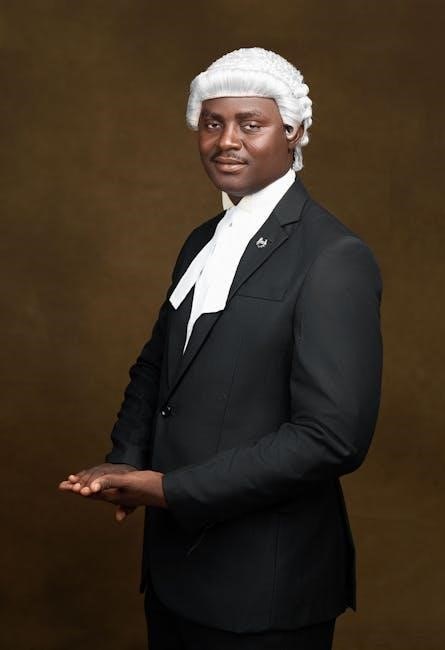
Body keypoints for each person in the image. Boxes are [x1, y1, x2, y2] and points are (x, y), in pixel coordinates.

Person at [59, 47, 383, 650]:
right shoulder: (202, 240)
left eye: (250, 124)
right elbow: (159, 364)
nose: (226, 140)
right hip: (174, 575)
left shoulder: (333, 257)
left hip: (264, 588)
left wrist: (171, 491)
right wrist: (126, 458)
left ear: (294, 132)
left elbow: (332, 437)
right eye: (213, 123)